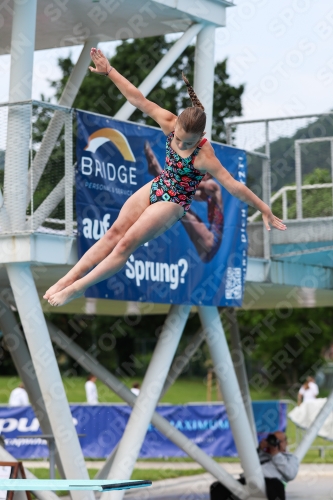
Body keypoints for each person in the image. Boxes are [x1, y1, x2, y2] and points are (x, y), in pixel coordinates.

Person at [44, 47, 286, 307]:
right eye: (179, 138)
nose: (181, 144)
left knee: (125, 244)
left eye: (188, 142)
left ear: (201, 139)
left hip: (174, 203)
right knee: (113, 232)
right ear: (176, 125)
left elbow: (235, 187)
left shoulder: (205, 156)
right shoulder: (170, 122)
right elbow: (138, 99)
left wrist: (263, 208)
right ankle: (65, 280)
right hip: (159, 184)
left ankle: (78, 288)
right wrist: (110, 71)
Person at [210, 432, 299, 500]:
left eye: (277, 441)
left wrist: (276, 455)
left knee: (276, 485)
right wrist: (259, 449)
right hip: (249, 480)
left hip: (270, 482)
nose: (273, 442)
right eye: (272, 439)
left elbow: (291, 474)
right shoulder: (261, 454)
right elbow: (245, 464)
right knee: (217, 486)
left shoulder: (291, 458)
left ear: (285, 443)